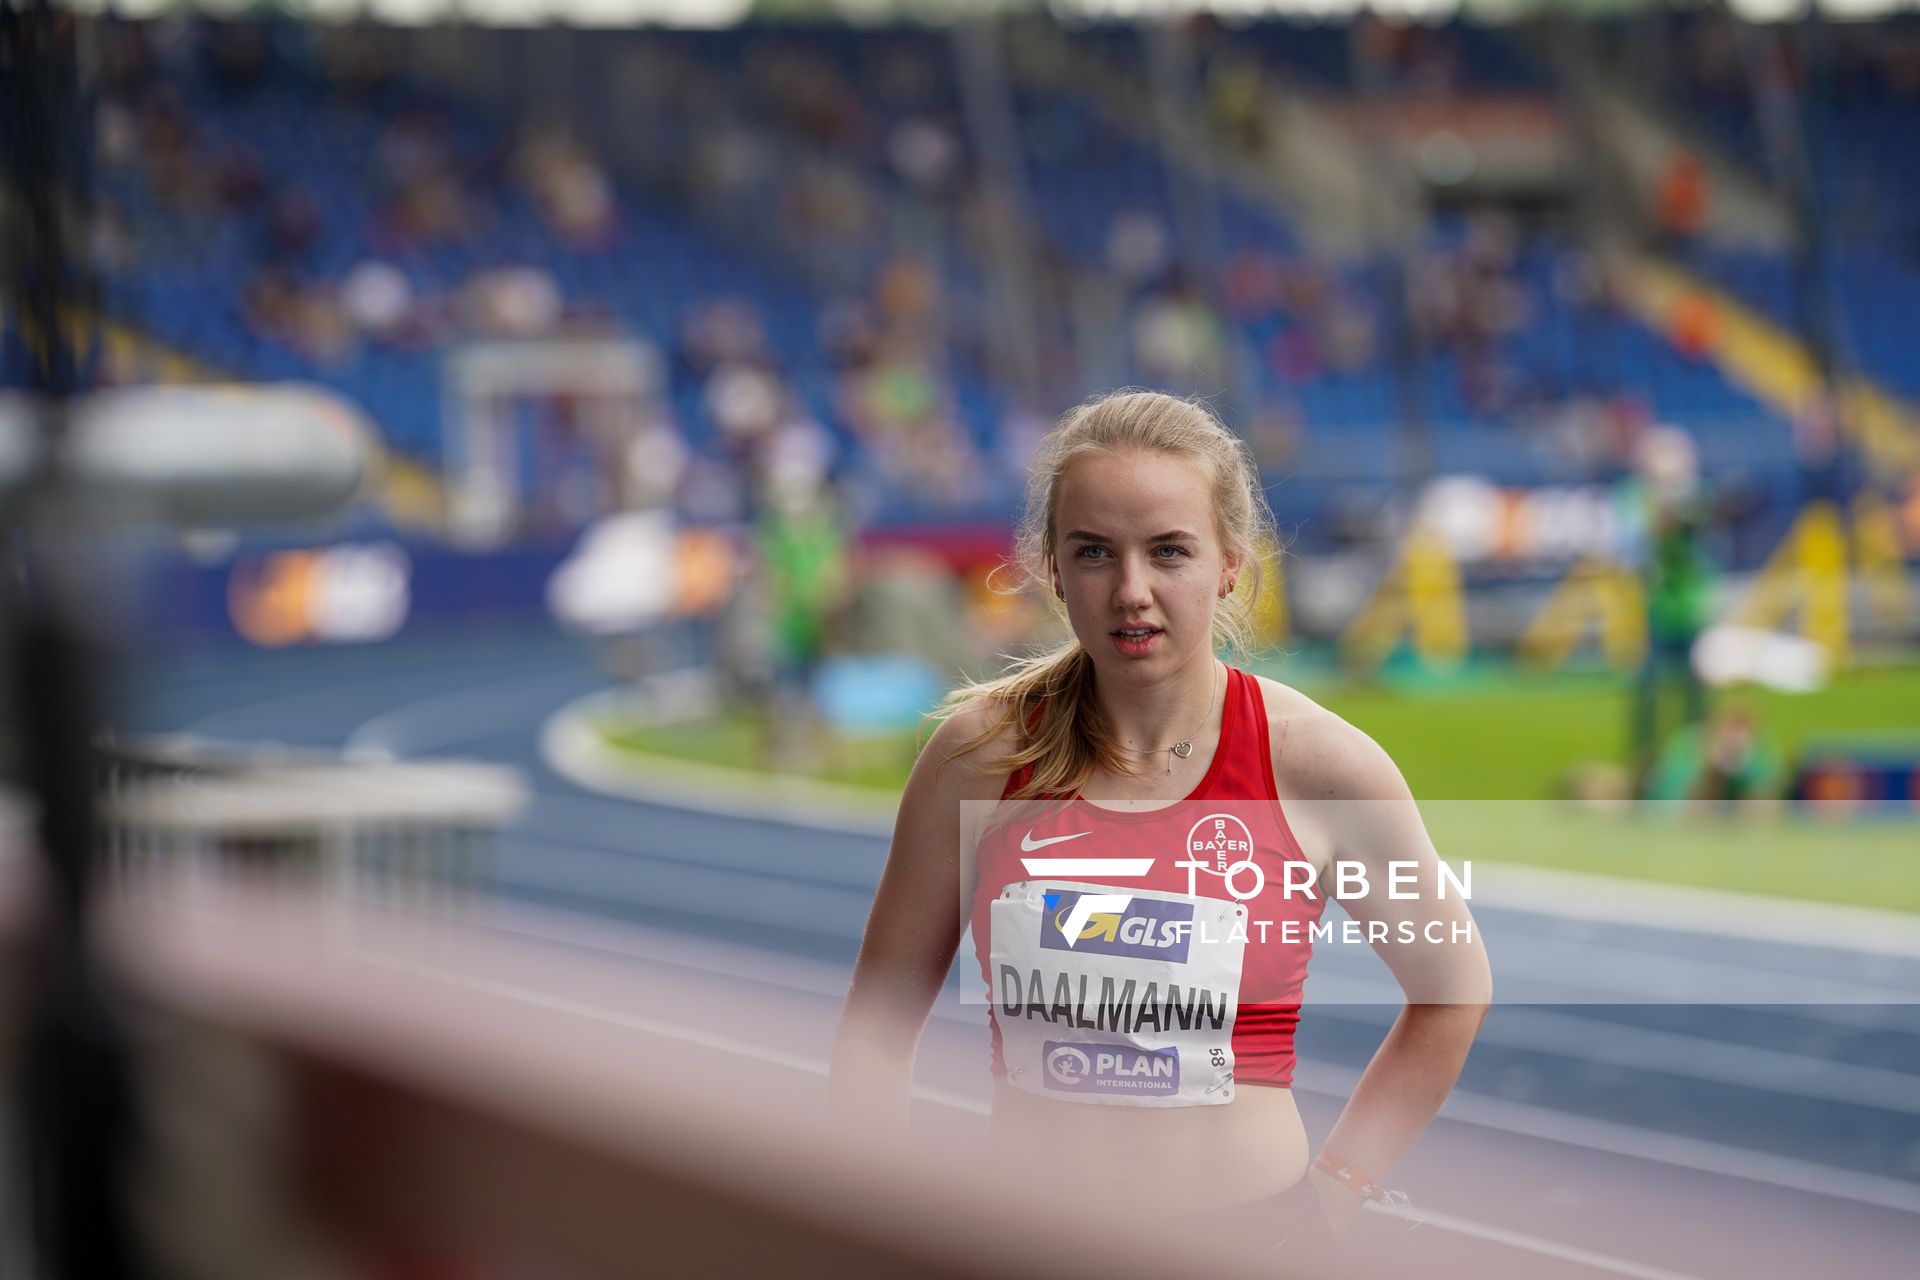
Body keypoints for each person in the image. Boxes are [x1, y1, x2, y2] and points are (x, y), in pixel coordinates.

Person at [830, 391, 1490, 1267]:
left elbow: (1453, 987)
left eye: (1168, 551)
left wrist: (1336, 1194)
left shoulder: (1321, 766)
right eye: (1095, 552)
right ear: (1053, 569)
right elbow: (873, 1035)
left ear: (1229, 564)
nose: (1131, 591)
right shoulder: (980, 757)